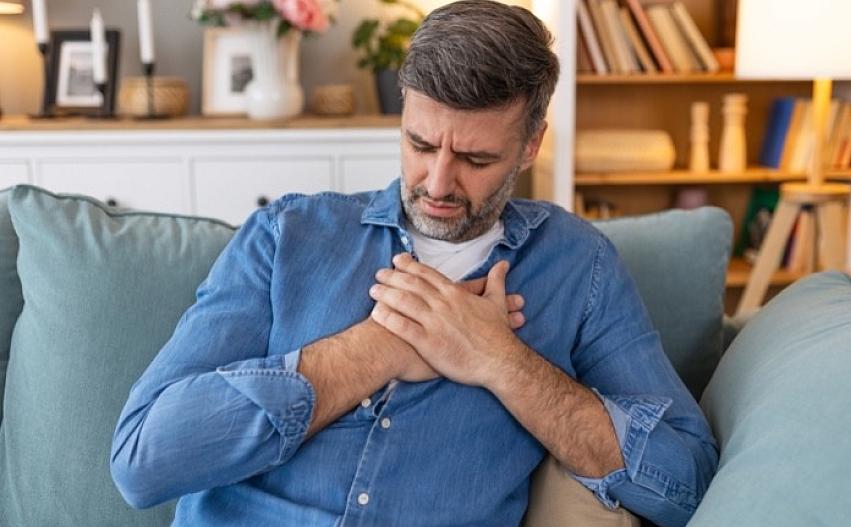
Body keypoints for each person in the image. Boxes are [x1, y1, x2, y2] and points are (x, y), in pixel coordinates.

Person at [110, 2, 717, 526]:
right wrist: (378, 349)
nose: (438, 181)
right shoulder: (287, 236)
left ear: (530, 145)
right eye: (420, 144)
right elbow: (142, 461)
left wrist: (497, 360)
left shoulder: (577, 267)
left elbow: (684, 486)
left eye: (476, 158)